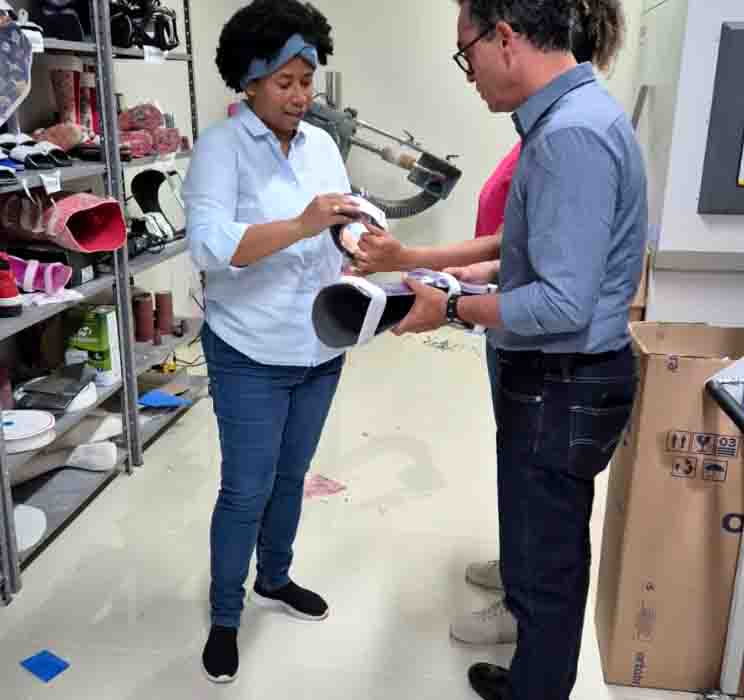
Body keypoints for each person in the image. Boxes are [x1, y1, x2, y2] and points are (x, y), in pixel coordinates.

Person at [362, 1, 647, 698]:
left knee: (549, 565)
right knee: (544, 545)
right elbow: (538, 252)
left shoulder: (569, 135)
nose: (469, 74)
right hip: (557, 377)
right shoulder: (570, 119)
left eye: (468, 54)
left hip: (562, 379)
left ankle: (537, 689)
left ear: (507, 38)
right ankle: (532, 678)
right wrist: (459, 274)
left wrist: (448, 308)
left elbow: (561, 304)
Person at [183, 0, 360, 684]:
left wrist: (357, 239)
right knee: (246, 489)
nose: (299, 96)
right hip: (249, 350)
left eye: (306, 81)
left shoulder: (321, 146)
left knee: (292, 477)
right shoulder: (220, 148)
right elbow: (210, 246)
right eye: (285, 82)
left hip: (319, 345)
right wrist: (303, 224)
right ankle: (225, 616)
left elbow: (337, 222)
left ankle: (275, 577)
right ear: (250, 79)